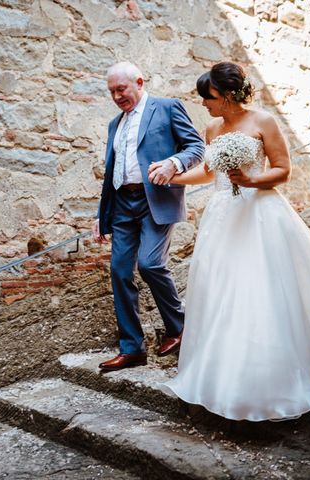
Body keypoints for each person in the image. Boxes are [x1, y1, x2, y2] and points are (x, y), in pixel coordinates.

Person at [153, 62, 310, 421]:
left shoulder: (264, 122)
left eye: (209, 97)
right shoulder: (212, 127)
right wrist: (173, 178)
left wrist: (251, 181)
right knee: (220, 290)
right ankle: (220, 375)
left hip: (261, 212)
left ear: (227, 95)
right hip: (222, 216)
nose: (204, 103)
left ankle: (267, 379)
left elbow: (283, 169)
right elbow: (208, 170)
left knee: (260, 289)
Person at [92, 62, 205, 372]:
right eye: (111, 92)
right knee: (119, 271)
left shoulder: (166, 108)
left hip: (155, 199)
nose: (116, 96)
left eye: (121, 89)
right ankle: (132, 348)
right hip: (121, 204)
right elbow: (112, 171)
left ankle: (179, 327)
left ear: (139, 82)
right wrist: (102, 215)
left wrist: (174, 164)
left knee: (151, 263)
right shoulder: (115, 124)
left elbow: (197, 146)